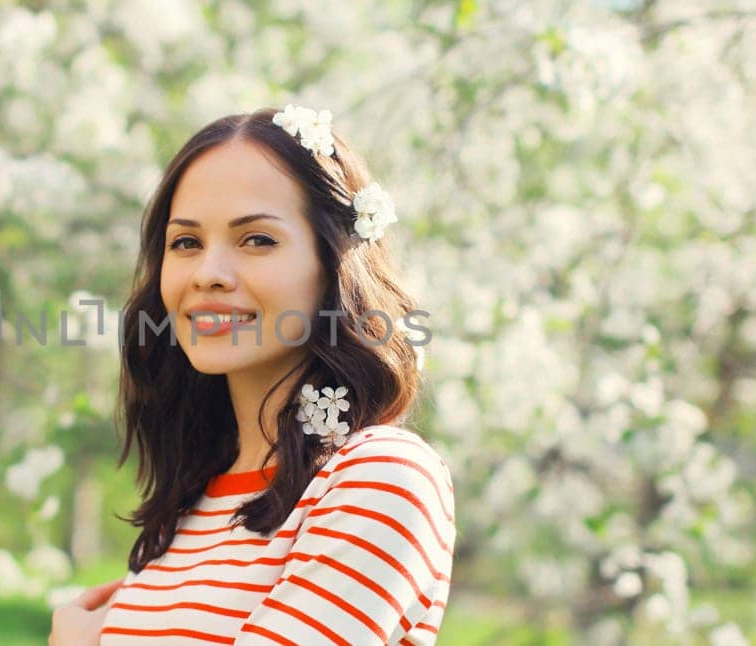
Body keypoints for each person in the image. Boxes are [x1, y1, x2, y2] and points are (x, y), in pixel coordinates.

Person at [50, 105, 455, 645]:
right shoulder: (189, 504)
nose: (209, 274)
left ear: (334, 263)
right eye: (186, 243)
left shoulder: (379, 477)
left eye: (256, 240)